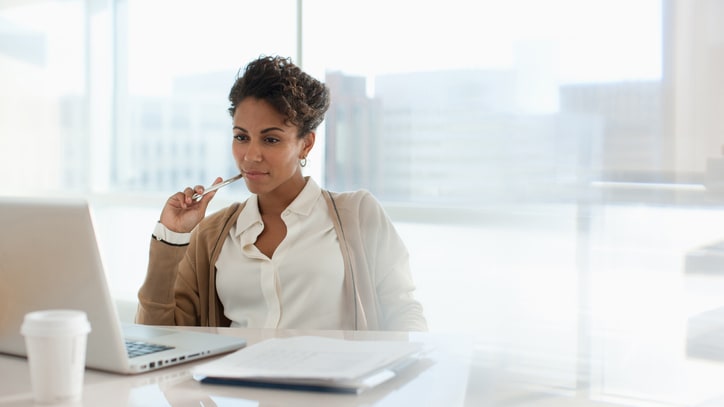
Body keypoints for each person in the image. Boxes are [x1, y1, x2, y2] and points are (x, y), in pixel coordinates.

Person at [136, 55, 427, 331]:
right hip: (234, 383)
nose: (251, 155)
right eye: (241, 137)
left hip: (331, 382)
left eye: (271, 139)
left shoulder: (359, 214)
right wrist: (172, 235)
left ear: (306, 144)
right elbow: (160, 337)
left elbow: (404, 312)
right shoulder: (212, 235)